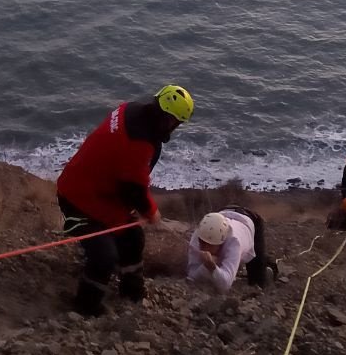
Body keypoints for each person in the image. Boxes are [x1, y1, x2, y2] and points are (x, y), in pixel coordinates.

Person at [56, 85, 194, 316]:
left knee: (132, 238)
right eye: (176, 123)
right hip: (78, 199)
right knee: (104, 257)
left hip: (102, 194)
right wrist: (152, 213)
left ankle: (132, 291)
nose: (175, 128)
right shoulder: (139, 143)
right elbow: (134, 190)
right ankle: (85, 307)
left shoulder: (130, 109)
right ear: (168, 119)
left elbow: (125, 178)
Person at [186, 206, 278, 293]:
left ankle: (268, 265)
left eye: (210, 245)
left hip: (251, 221)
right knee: (221, 266)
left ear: (221, 244)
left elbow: (225, 285)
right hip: (224, 213)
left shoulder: (234, 243)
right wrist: (205, 267)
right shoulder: (199, 235)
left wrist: (212, 267)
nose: (204, 248)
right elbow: (191, 276)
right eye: (202, 243)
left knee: (257, 282)